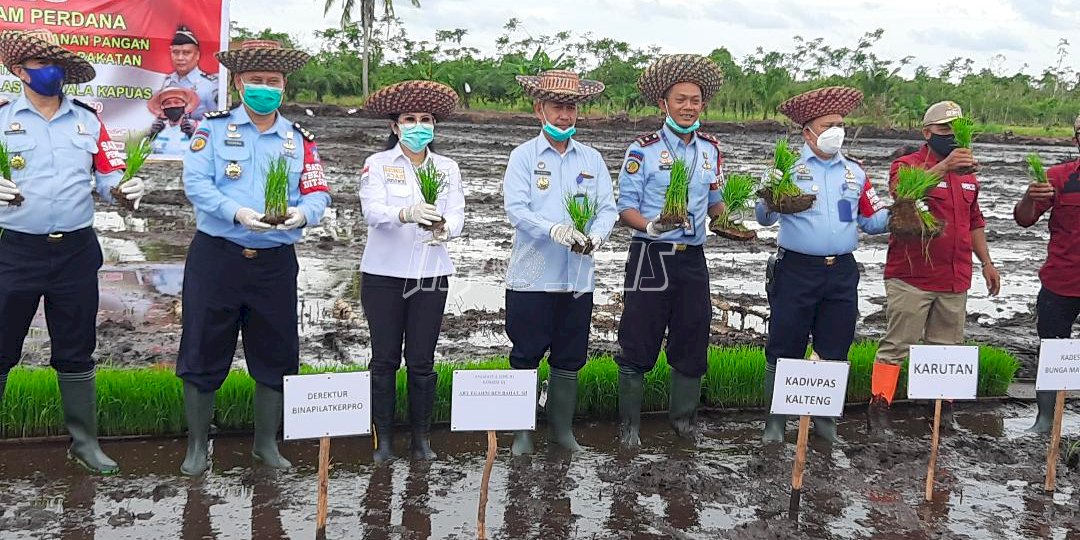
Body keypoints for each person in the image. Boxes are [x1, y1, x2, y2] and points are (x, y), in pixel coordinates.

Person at [176, 40, 330, 476]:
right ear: (239, 83)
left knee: (275, 352)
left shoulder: (299, 140)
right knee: (203, 349)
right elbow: (197, 184)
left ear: (284, 87)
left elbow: (318, 189)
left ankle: (266, 445)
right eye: (257, 81)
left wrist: (304, 212)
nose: (265, 88)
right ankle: (197, 449)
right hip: (218, 258)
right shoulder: (212, 128)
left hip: (275, 264)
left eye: (274, 82)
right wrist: (237, 212)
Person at [0, 28, 146, 474]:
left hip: (76, 252)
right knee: (2, 346)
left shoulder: (87, 120)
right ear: (19, 71)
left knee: (77, 347)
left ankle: (84, 443)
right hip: (14, 251)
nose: (53, 73)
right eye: (43, 65)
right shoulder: (2, 120)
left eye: (58, 65)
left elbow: (107, 177)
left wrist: (125, 189)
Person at [756, 86, 889, 443]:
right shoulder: (787, 167)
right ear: (808, 132)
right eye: (829, 124)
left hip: (841, 273)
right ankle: (775, 424)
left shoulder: (855, 174)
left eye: (841, 124)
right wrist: (771, 196)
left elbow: (872, 220)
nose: (837, 132)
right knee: (785, 346)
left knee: (835, 346)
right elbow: (763, 217)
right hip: (797, 271)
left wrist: (902, 211)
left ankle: (825, 424)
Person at [503, 70, 617, 454]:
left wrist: (597, 236)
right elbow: (516, 210)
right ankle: (522, 434)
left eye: (570, 107)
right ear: (540, 109)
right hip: (532, 277)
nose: (565, 115)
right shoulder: (523, 157)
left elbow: (607, 209)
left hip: (577, 279)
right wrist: (553, 230)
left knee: (570, 356)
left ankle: (562, 431)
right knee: (526, 355)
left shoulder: (592, 159)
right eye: (557, 107)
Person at [615, 54, 726, 448]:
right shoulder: (641, 150)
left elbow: (716, 201)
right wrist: (650, 225)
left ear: (702, 104)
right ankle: (628, 427)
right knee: (638, 337)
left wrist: (729, 219)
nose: (688, 106)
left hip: (692, 258)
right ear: (664, 104)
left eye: (695, 100)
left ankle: (683, 423)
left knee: (693, 335)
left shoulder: (710, 150)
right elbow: (624, 206)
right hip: (651, 256)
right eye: (680, 99)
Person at [869, 101, 1000, 430]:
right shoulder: (907, 165)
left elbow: (974, 220)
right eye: (944, 130)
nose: (952, 136)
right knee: (897, 344)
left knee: (947, 348)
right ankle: (879, 410)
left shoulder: (969, 176)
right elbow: (902, 195)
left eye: (957, 130)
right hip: (912, 276)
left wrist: (986, 262)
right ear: (927, 133)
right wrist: (944, 168)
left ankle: (941, 412)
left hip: (955, 277)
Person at [358, 80, 465, 463]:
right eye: (409, 119)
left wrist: (444, 228)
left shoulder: (447, 168)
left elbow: (457, 214)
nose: (418, 126)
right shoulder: (379, 164)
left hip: (430, 274)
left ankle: (421, 439)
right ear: (394, 126)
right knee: (384, 358)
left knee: (422, 360)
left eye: (426, 120)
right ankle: (383, 440)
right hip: (384, 276)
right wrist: (405, 213)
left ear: (435, 126)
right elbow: (372, 211)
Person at [1016, 114, 1080, 433]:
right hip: (1061, 283)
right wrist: (1030, 196)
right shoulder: (1058, 178)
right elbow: (1024, 219)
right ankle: (1045, 420)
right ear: (1075, 139)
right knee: (1052, 350)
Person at [162, 25, 218, 120]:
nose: (180, 58)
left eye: (186, 53)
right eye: (175, 52)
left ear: (197, 55)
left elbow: (217, 121)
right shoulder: (165, 82)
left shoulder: (211, 85)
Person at [147, 85, 199, 155]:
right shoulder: (157, 128)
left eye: (177, 102)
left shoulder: (197, 126)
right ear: (162, 108)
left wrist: (194, 136)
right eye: (168, 103)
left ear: (184, 105)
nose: (172, 106)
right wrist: (151, 137)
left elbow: (206, 154)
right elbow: (144, 155)